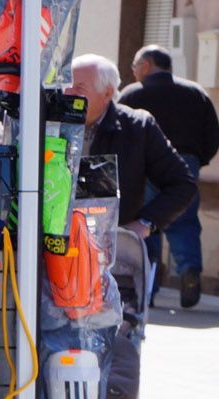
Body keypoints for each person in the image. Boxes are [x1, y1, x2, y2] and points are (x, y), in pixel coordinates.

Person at [67, 54, 197, 259]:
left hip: (109, 255)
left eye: (79, 88)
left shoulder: (137, 127)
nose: (68, 93)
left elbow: (182, 184)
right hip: (54, 248)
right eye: (67, 85)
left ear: (107, 93)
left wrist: (145, 223)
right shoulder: (48, 124)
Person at [120, 44, 219, 307]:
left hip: (143, 166)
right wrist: (198, 160)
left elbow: (116, 128)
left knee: (146, 224)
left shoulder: (133, 94)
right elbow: (213, 135)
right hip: (186, 164)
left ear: (145, 66)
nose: (133, 73)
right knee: (184, 222)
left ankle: (148, 289)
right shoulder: (196, 93)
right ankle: (189, 271)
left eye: (134, 67)